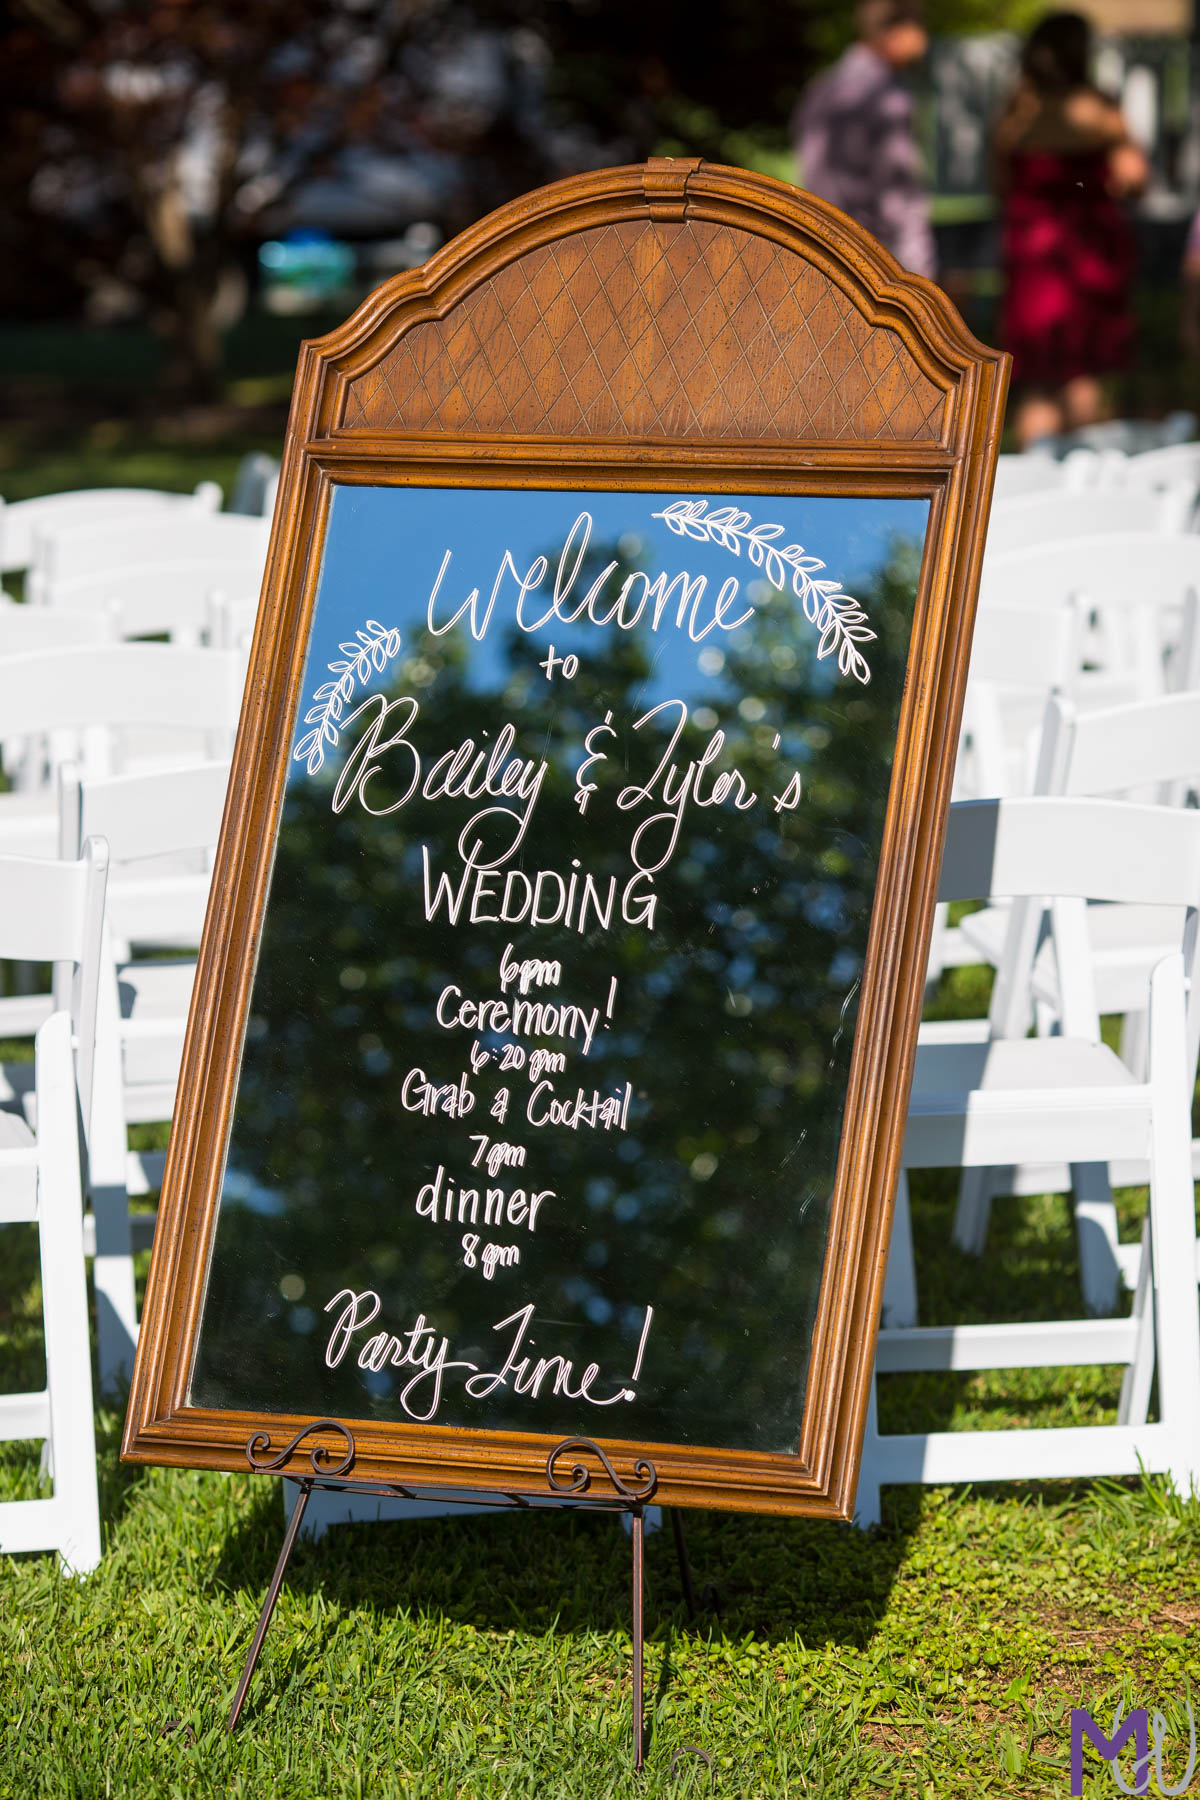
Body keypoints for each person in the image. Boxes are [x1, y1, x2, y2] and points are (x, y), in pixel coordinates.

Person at [994, 11, 1147, 448]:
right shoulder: (1099, 109)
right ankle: (1089, 496)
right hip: (1087, 256)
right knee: (1084, 377)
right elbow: (1134, 178)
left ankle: (1039, 493)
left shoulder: (1016, 114)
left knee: (1039, 383)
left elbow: (999, 185)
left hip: (1033, 260)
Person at [792, 0, 935, 280]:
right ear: (894, 33)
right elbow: (899, 195)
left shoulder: (822, 86)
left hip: (822, 245)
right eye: (919, 27)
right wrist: (920, 274)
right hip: (876, 257)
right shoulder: (887, 98)